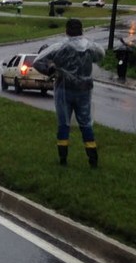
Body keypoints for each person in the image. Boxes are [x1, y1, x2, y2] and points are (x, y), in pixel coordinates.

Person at [32, 18, 105, 167]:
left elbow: (37, 61)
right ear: (82, 30)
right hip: (84, 91)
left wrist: (50, 70)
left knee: (64, 123)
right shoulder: (91, 47)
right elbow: (101, 55)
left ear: (66, 31)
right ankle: (93, 159)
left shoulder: (60, 47)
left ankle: (63, 159)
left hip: (64, 89)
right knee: (86, 124)